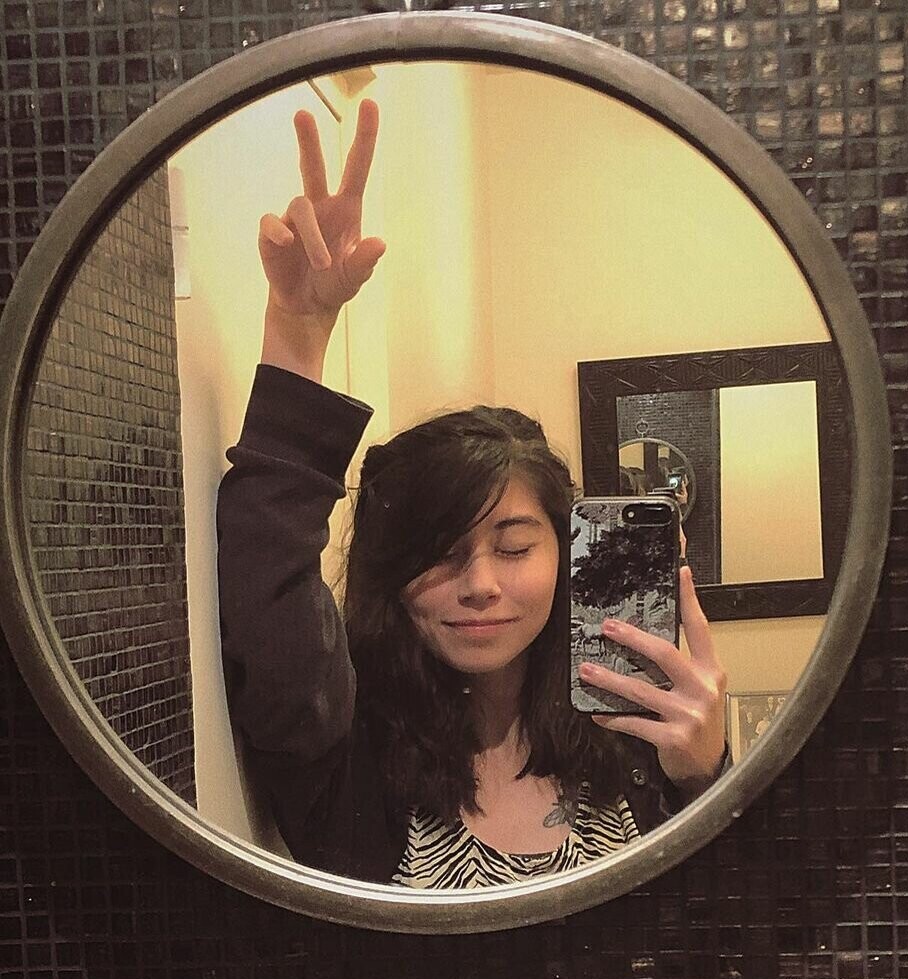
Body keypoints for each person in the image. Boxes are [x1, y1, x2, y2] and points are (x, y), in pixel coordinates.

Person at [217, 99, 731, 887]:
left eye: (515, 546)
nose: (481, 583)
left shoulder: (634, 740)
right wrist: (298, 329)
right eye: (441, 552)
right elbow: (268, 577)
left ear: (566, 552)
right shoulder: (347, 750)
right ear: (391, 568)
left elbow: (735, 922)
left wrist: (707, 777)